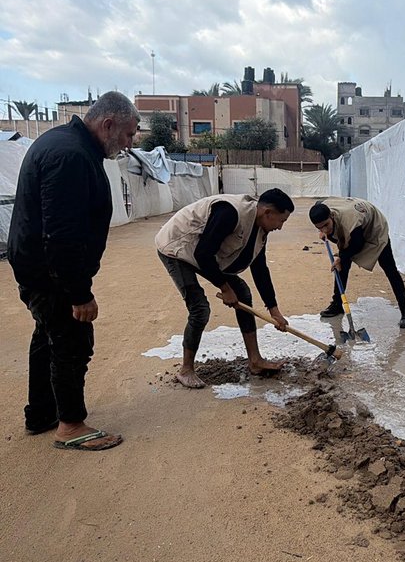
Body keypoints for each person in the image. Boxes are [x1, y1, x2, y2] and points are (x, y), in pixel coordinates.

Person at [7, 91, 140, 451]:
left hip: (39, 266)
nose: (128, 144)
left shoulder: (68, 144)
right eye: (128, 135)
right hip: (51, 272)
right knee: (72, 340)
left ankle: (42, 414)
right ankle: (71, 426)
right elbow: (61, 233)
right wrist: (79, 293)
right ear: (107, 124)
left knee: (47, 336)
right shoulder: (71, 155)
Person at [155, 188, 294, 387]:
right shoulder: (230, 212)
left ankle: (255, 361)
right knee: (200, 308)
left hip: (202, 251)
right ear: (267, 212)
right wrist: (225, 287)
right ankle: (186, 370)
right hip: (177, 246)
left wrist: (274, 310)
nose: (280, 227)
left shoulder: (261, 227)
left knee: (243, 293)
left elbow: (260, 268)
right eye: (281, 221)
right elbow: (203, 254)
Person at [309, 197, 405, 328]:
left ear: (331, 215)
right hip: (352, 227)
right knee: (341, 267)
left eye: (326, 225)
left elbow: (357, 245)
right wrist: (324, 232)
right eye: (319, 228)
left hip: (375, 228)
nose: (324, 230)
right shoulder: (322, 209)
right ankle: (337, 305)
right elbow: (340, 239)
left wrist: (341, 257)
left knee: (390, 269)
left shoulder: (351, 222)